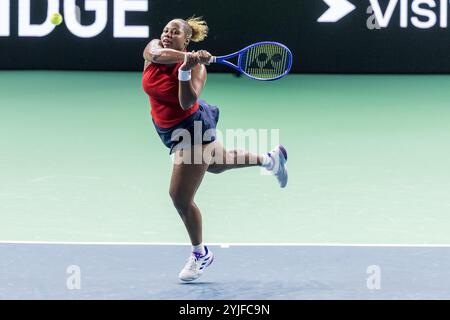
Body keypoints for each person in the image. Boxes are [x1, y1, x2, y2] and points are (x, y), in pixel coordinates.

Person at [142, 16, 288, 282]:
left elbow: (186, 102)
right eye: (165, 30)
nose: (166, 34)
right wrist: (189, 57)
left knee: (180, 199)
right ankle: (270, 160)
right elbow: (159, 53)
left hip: (190, 129)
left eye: (174, 32)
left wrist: (188, 68)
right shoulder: (154, 50)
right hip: (167, 128)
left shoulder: (198, 69)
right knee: (218, 163)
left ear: (186, 39)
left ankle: (200, 254)